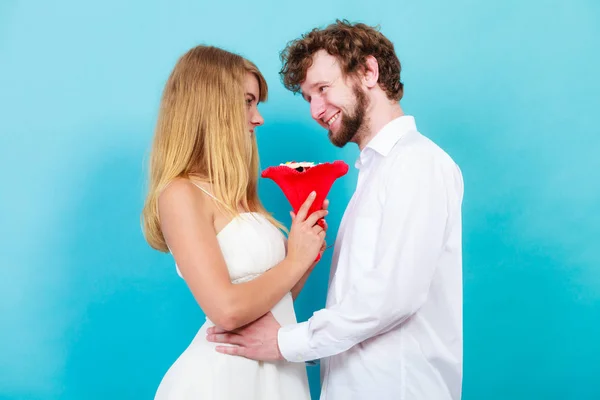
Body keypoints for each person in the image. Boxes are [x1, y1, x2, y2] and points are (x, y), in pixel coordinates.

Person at [206, 20, 465, 399]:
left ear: (369, 72)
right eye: (308, 97)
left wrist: (285, 342)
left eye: (323, 89)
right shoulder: (375, 173)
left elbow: (392, 297)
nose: (315, 110)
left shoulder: (417, 163)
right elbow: (363, 304)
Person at [141, 45, 328, 399]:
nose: (258, 118)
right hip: (222, 381)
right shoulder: (181, 194)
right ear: (210, 107)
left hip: (273, 372)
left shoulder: (239, 194)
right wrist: (296, 259)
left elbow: (277, 298)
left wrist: (308, 246)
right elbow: (226, 311)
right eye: (247, 102)